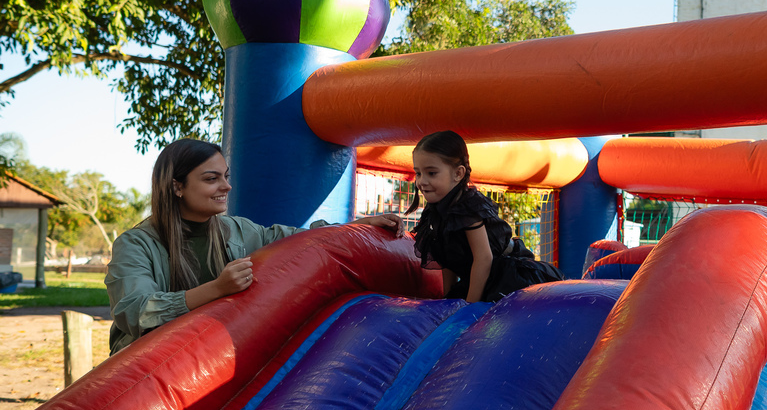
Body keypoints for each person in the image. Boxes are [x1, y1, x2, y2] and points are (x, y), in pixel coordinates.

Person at [106, 138, 402, 354]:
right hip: (150, 367)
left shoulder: (236, 230)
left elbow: (300, 239)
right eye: (211, 179)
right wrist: (217, 289)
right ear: (177, 187)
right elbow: (135, 311)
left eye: (226, 176)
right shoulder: (136, 244)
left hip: (212, 355)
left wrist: (357, 226)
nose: (226, 186)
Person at [407, 131, 563, 302]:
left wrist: (470, 305)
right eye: (418, 173)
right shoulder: (436, 212)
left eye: (431, 173)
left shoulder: (468, 206)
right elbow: (448, 259)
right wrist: (448, 298)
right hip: (481, 276)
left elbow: (483, 258)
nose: (421, 181)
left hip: (507, 273)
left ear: (458, 174)